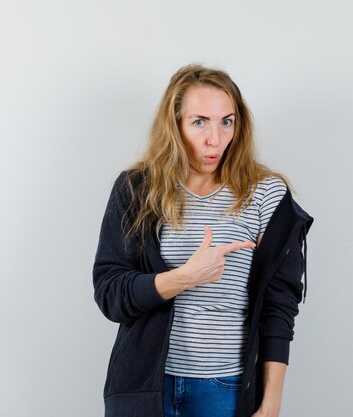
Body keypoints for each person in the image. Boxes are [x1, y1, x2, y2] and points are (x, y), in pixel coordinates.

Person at [92, 64, 314, 417]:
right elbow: (110, 294)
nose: (216, 139)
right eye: (200, 122)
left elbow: (280, 307)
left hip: (224, 389)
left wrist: (271, 403)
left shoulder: (266, 195)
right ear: (175, 125)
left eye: (227, 121)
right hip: (146, 385)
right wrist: (185, 276)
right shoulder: (138, 190)